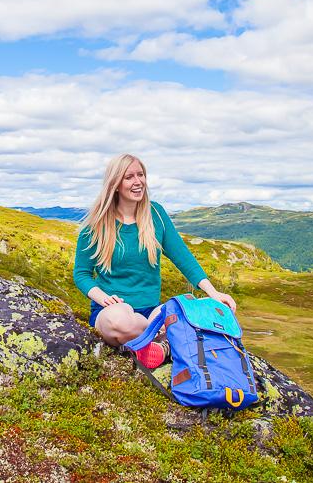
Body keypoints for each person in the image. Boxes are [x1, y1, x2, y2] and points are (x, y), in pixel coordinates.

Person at [72, 153, 237, 368]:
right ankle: (160, 337)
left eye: (141, 175)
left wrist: (213, 293)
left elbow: (183, 257)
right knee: (119, 321)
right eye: (129, 177)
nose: (138, 181)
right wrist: (103, 298)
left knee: (184, 307)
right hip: (112, 312)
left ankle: (152, 339)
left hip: (152, 310)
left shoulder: (156, 214)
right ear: (115, 184)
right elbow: (81, 273)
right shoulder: (96, 225)